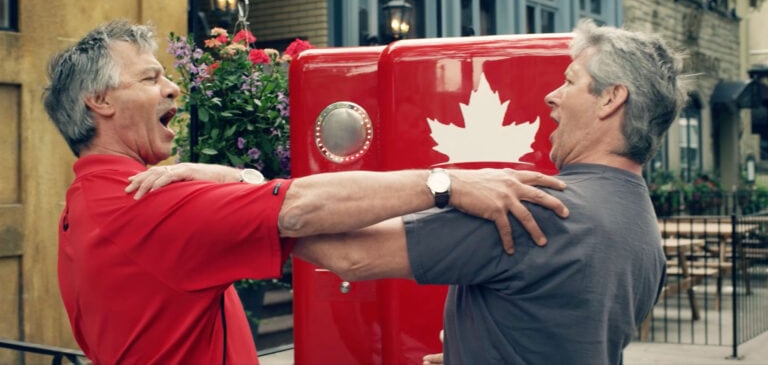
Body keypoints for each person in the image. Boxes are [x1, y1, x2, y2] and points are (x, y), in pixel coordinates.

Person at [42, 19, 569, 365]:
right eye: (151, 78)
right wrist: (451, 182)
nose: (173, 87)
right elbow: (303, 207)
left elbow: (320, 235)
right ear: (100, 103)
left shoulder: (88, 203)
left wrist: (237, 179)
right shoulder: (150, 202)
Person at [292, 19, 686, 364]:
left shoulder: (537, 208)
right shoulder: (643, 227)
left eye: (569, 82)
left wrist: (247, 200)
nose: (552, 96)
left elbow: (350, 255)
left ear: (611, 99)